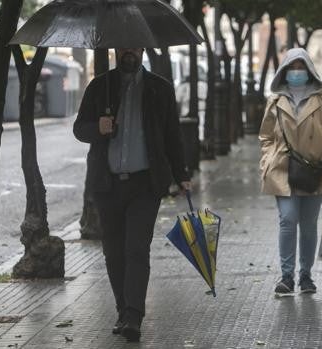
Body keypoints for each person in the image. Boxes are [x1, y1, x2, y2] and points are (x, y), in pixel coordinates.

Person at [73, 47, 191, 342]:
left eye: (134, 45)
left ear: (141, 49)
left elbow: (172, 135)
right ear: (115, 49)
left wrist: (182, 175)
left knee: (137, 248)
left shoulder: (159, 89)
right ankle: (123, 309)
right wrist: (97, 127)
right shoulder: (100, 86)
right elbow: (79, 129)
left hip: (144, 184)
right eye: (123, 45)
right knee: (113, 252)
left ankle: (133, 315)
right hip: (107, 183)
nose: (129, 51)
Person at [258, 48, 322, 295]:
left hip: (314, 170)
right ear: (285, 71)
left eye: (301, 67)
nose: (296, 72)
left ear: (308, 70)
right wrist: (267, 160)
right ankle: (286, 277)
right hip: (283, 170)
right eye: (292, 67)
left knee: (308, 224)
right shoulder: (275, 101)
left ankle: (305, 276)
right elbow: (265, 136)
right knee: (288, 219)